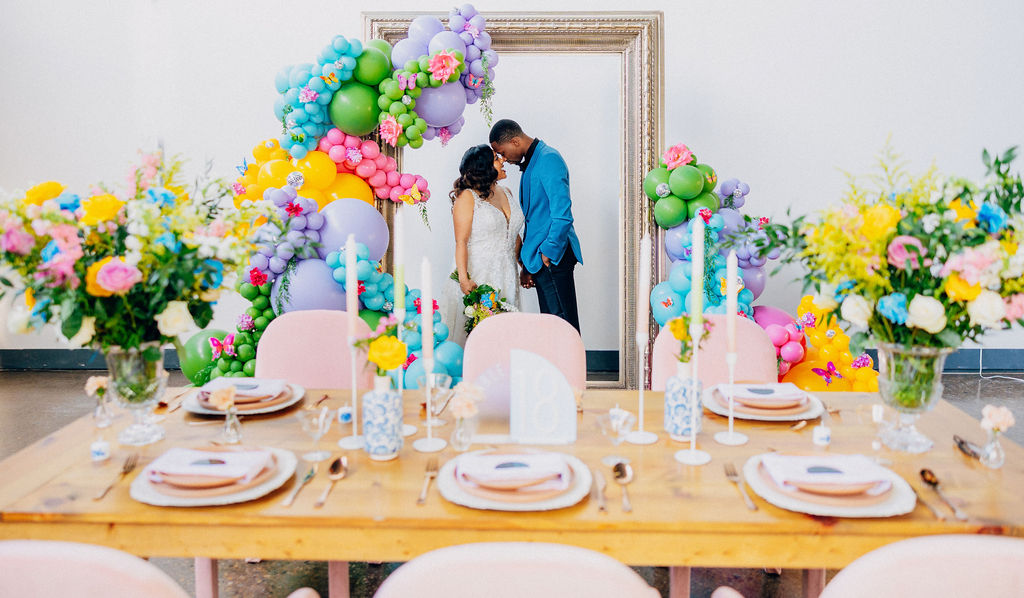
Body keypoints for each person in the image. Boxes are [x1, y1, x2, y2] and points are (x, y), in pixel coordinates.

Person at [489, 119, 582, 333]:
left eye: (502, 152)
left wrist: (547, 254)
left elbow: (562, 215)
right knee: (553, 326)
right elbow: (535, 218)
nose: (503, 159)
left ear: (514, 141)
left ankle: (571, 367)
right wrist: (530, 264)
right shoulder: (532, 163)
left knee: (563, 326)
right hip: (541, 259)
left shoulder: (549, 159)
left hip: (554, 256)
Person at [440, 144, 525, 345]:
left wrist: (525, 268)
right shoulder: (467, 196)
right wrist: (463, 279)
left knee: (505, 330)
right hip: (478, 274)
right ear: (484, 166)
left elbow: (512, 235)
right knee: (478, 334)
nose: (503, 160)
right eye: (497, 158)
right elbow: (461, 241)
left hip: (507, 274)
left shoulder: (507, 192)